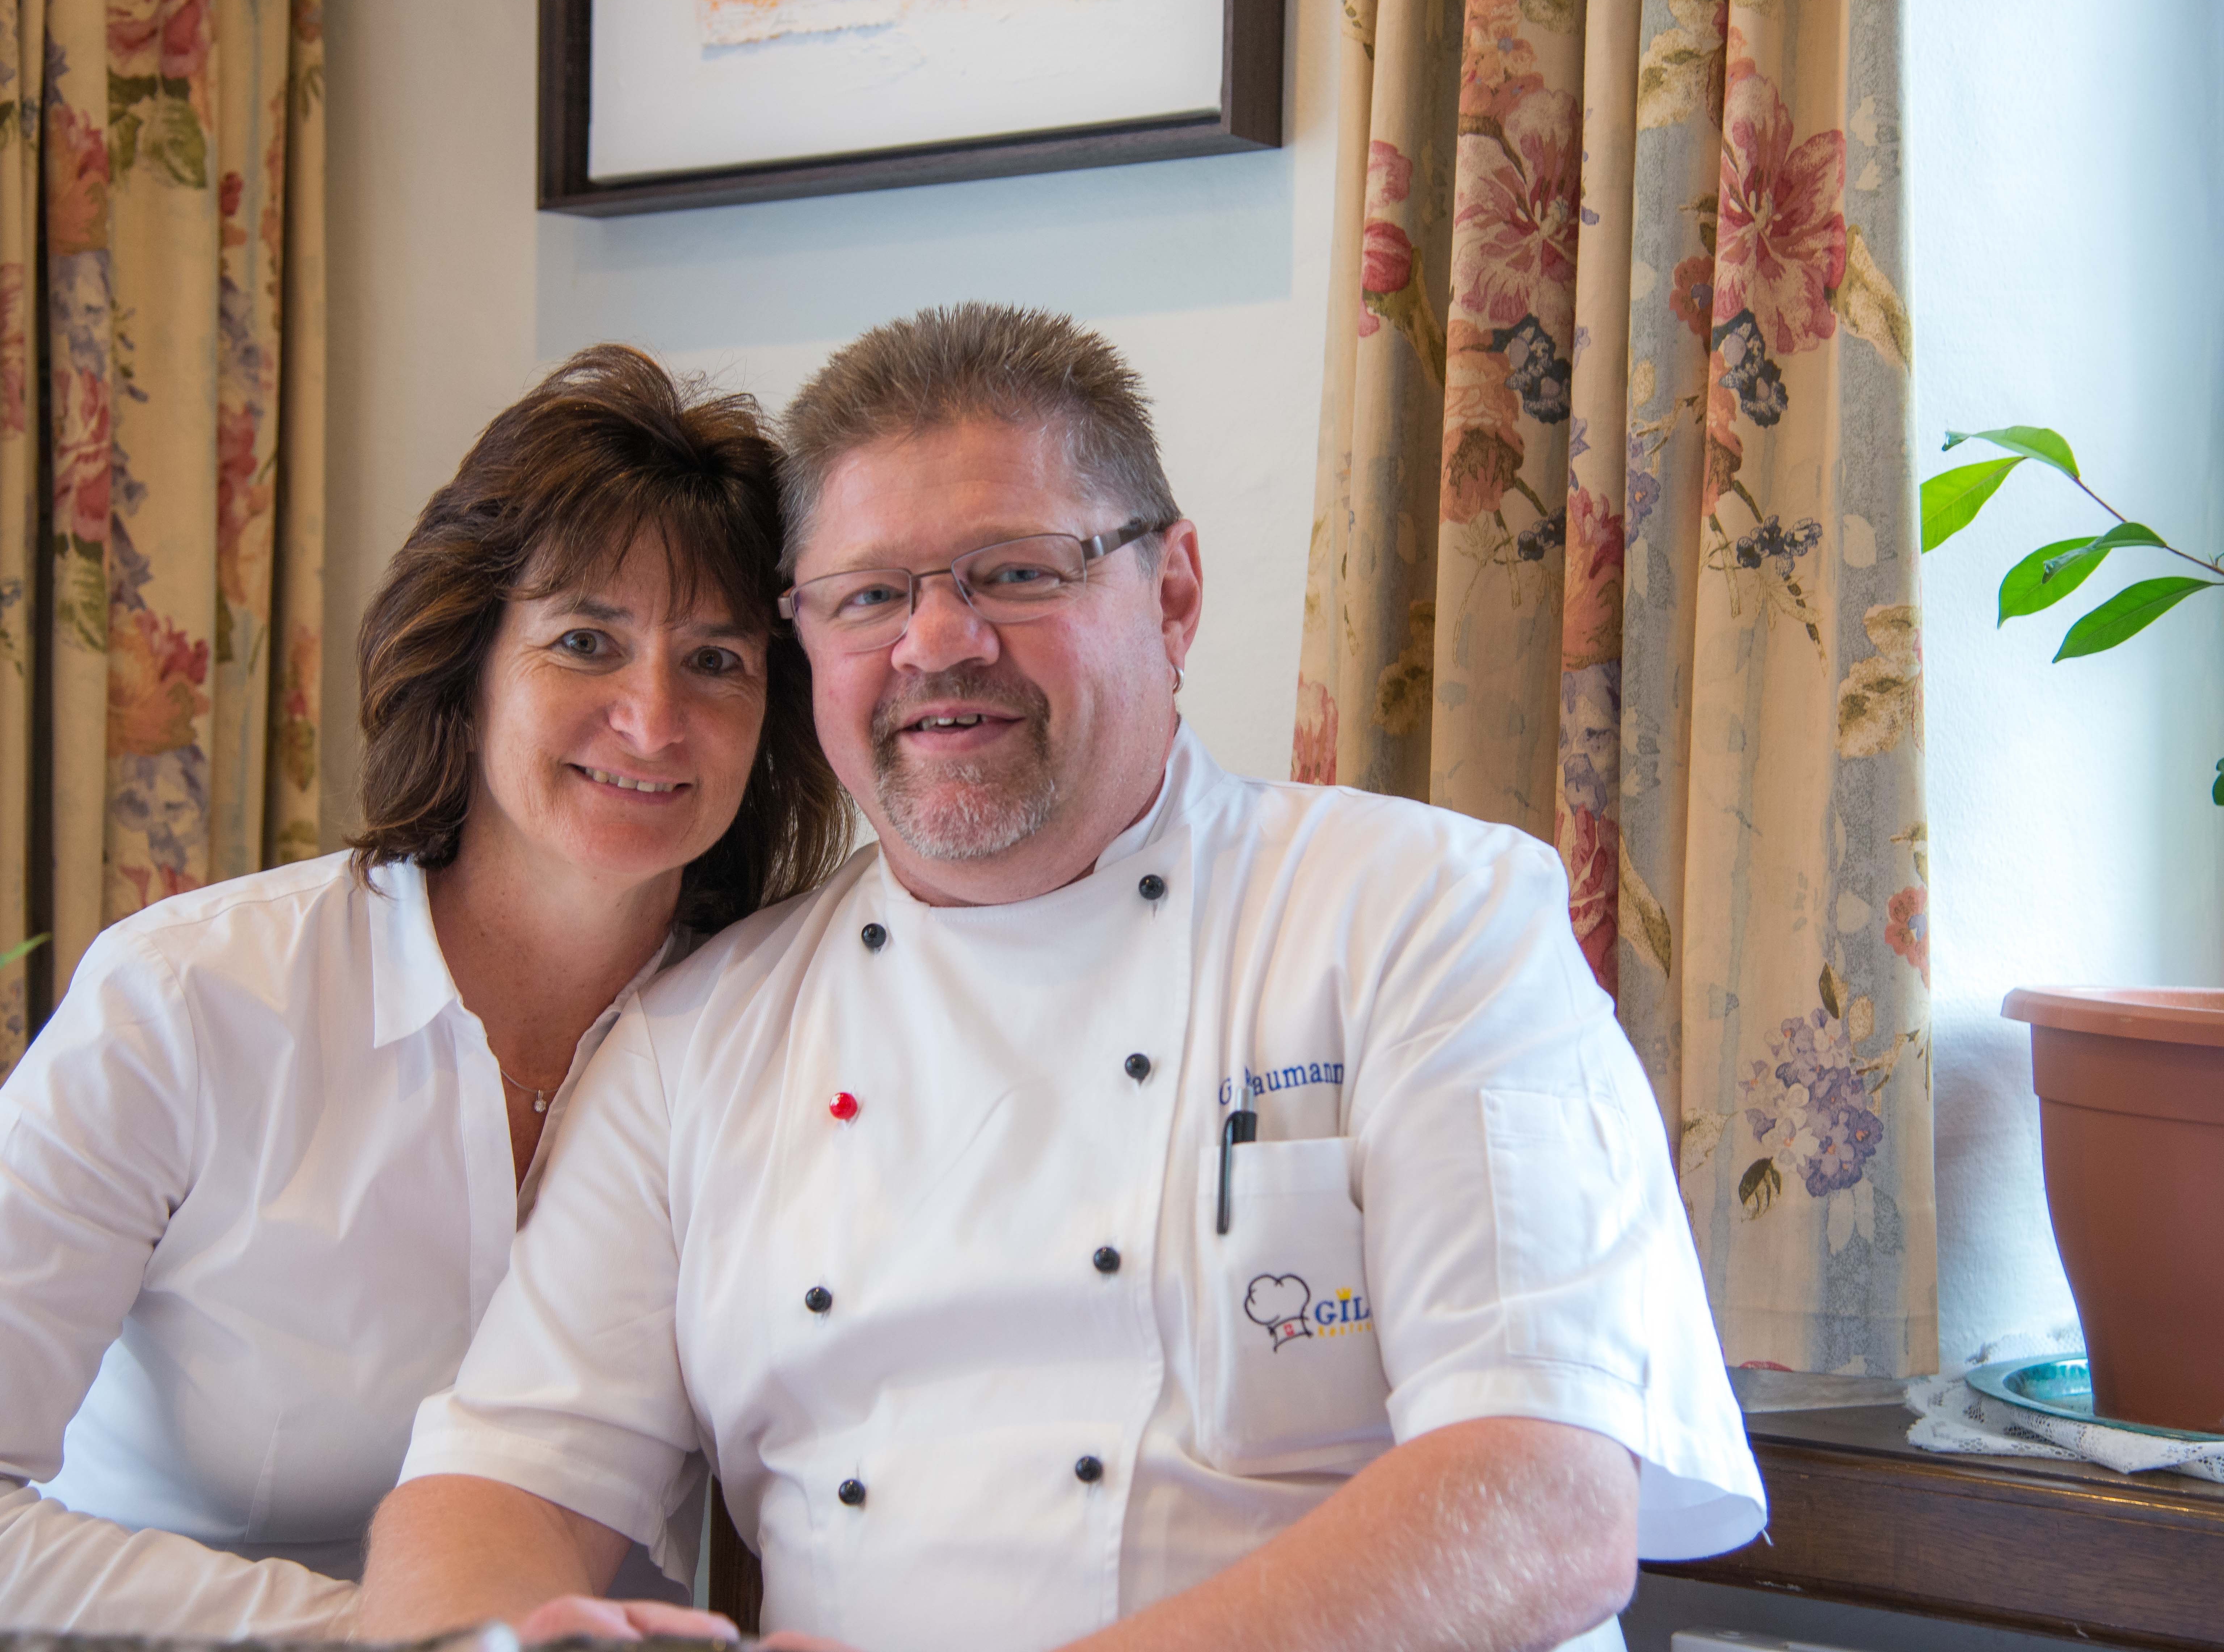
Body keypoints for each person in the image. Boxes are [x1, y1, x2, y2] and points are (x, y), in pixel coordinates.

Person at [357, 306, 1766, 1652]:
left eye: (1018, 573)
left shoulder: (1423, 917)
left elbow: (1544, 1499)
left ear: (1174, 594)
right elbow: (504, 1478)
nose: (937, 641)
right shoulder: (697, 1036)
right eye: (870, 597)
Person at [0, 346, 848, 1635]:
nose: (652, 717)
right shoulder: (186, 1001)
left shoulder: (782, 1034)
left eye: (718, 660)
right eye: (586, 642)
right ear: (468, 666)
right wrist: (407, 1634)